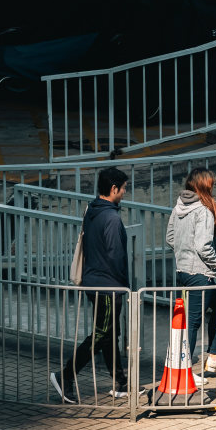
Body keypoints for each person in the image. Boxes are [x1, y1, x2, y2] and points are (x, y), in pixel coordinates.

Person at [50, 167, 129, 403]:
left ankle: (121, 383)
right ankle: (64, 376)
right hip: (108, 285)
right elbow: (116, 256)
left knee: (109, 334)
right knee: (102, 334)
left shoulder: (92, 210)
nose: (125, 192)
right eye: (123, 188)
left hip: (94, 281)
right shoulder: (112, 218)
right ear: (113, 189)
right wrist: (125, 284)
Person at [166, 168, 216, 387]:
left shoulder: (179, 206)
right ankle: (185, 370)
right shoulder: (203, 211)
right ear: (204, 185)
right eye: (211, 183)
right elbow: (203, 246)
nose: (213, 187)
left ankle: (213, 357)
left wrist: (183, 255)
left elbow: (170, 237)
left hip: (183, 271)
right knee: (192, 323)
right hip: (202, 274)